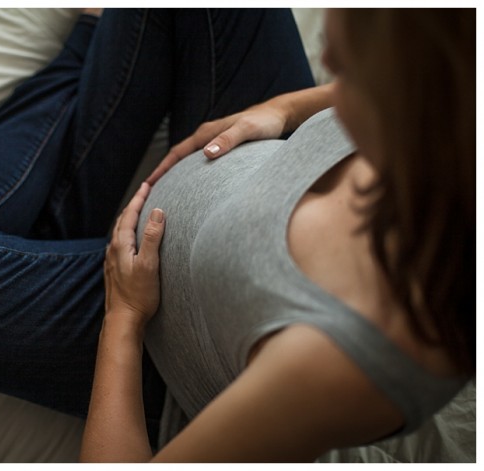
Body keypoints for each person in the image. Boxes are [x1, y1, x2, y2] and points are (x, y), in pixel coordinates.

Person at [0, 8, 317, 450]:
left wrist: (124, 317)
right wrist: (284, 110)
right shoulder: (386, 103)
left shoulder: (336, 374)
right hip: (267, 156)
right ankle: (61, 219)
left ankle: (77, 63)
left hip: (172, 323)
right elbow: (376, 94)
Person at [80, 8, 474, 462]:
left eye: (347, 66)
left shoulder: (343, 359)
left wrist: (123, 316)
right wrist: (280, 110)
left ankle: (77, 73)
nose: (325, 60)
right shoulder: (451, 112)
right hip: (254, 155)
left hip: (151, 317)